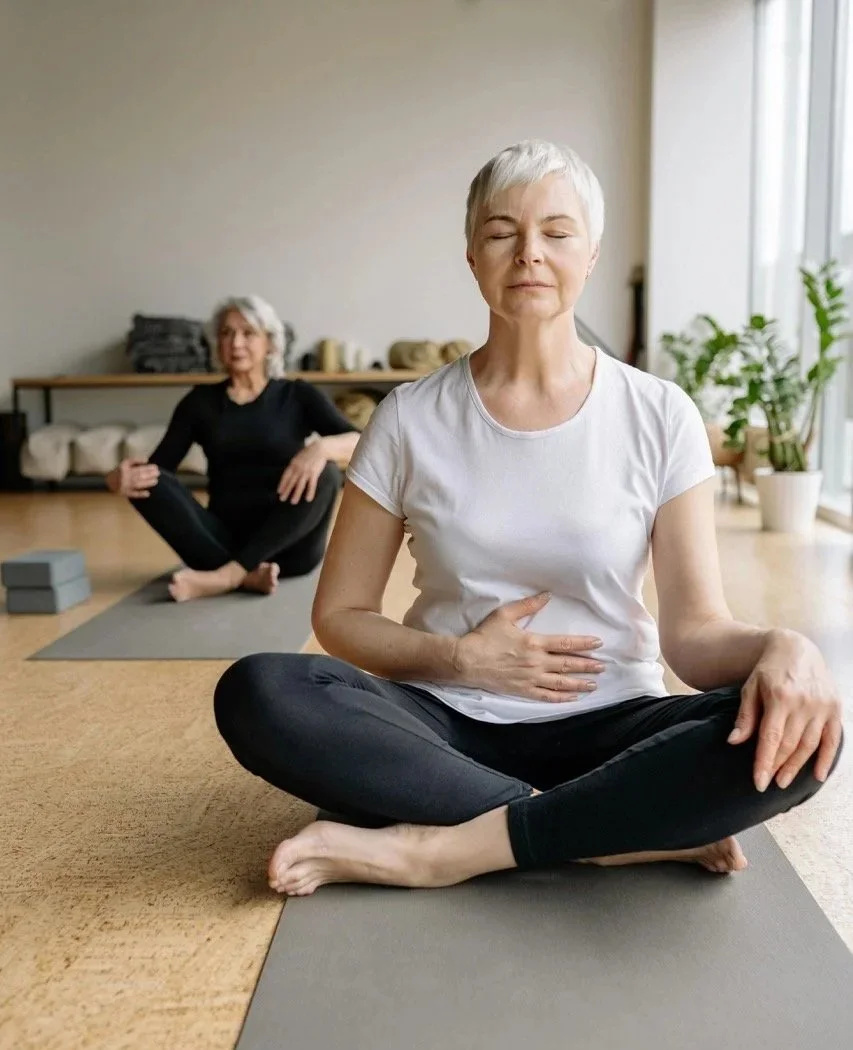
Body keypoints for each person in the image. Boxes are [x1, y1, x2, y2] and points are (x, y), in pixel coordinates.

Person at [214, 142, 844, 896]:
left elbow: (693, 637)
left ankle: (439, 851)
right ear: (473, 255)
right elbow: (341, 616)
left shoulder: (658, 414)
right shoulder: (410, 418)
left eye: (556, 232)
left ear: (591, 253)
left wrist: (783, 646)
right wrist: (461, 661)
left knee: (803, 733)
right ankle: (603, 836)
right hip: (444, 723)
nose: (529, 254)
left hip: (613, 721)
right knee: (261, 691)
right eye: (502, 231)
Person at [106, 295, 359, 601]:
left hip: (289, 549)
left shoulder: (297, 395)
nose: (236, 342)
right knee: (147, 480)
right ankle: (246, 576)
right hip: (221, 543)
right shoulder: (199, 402)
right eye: (227, 333)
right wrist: (117, 480)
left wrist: (321, 449)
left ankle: (227, 576)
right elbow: (160, 470)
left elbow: (361, 442)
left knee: (328, 474)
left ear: (270, 343)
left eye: (248, 333)